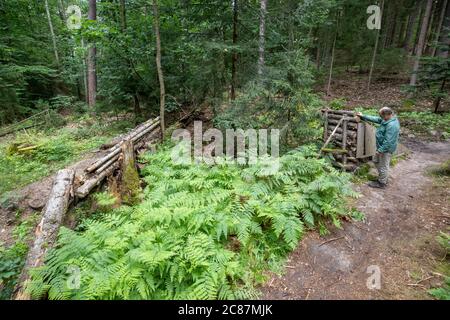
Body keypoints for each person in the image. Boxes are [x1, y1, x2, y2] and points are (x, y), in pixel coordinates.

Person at [355, 107, 400, 189]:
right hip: (382, 147)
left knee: (383, 166)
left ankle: (382, 183)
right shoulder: (386, 119)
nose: (380, 117)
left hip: (386, 149)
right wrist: (363, 116)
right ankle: (382, 178)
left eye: (381, 115)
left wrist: (381, 150)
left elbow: (389, 141)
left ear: (387, 114)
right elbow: (376, 119)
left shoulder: (392, 125)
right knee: (376, 161)